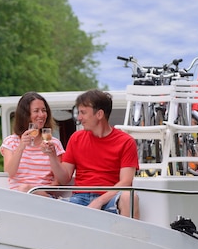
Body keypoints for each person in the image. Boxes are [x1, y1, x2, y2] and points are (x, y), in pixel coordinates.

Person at [60, 89, 140, 218]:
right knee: (47, 206)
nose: (79, 118)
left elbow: (126, 182)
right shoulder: (76, 138)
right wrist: (52, 155)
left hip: (111, 197)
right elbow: (64, 178)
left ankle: (131, 237)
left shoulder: (126, 141)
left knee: (129, 197)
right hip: (79, 198)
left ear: (99, 114)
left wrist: (99, 201)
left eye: (83, 113)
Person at [0, 92, 67, 196]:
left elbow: (59, 182)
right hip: (17, 196)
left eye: (44, 110)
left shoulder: (53, 143)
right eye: (36, 111)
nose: (41, 115)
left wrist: (52, 155)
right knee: (23, 189)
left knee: (25, 188)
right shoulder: (11, 142)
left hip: (43, 198)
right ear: (25, 115)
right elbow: (9, 173)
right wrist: (21, 147)